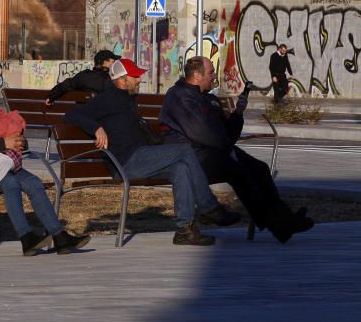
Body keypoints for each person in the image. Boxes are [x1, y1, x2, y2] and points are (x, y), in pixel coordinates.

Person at [64, 58, 241, 246]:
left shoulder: (127, 99)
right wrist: (96, 127)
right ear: (122, 80)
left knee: (180, 168)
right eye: (135, 77)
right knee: (184, 150)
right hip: (125, 162)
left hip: (140, 156)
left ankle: (185, 230)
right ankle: (209, 207)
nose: (140, 80)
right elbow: (71, 115)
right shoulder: (107, 99)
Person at [160, 56, 315, 243]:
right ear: (196, 75)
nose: (214, 77)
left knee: (259, 168)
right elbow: (199, 132)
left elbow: (227, 134)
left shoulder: (209, 99)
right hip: (192, 157)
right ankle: (279, 225)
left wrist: (237, 114)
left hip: (215, 151)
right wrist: (227, 148)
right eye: (210, 73)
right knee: (237, 170)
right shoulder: (179, 96)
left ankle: (284, 220)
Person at [0, 68, 90, 256]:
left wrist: (18, 141)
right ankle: (26, 237)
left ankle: (59, 237)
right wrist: (4, 142)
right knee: (10, 183)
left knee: (34, 183)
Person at [44, 49, 118, 104]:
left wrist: (51, 97)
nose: (114, 64)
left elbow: (66, 85)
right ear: (104, 62)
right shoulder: (108, 80)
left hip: (83, 117)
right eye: (113, 61)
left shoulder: (83, 76)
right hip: (101, 120)